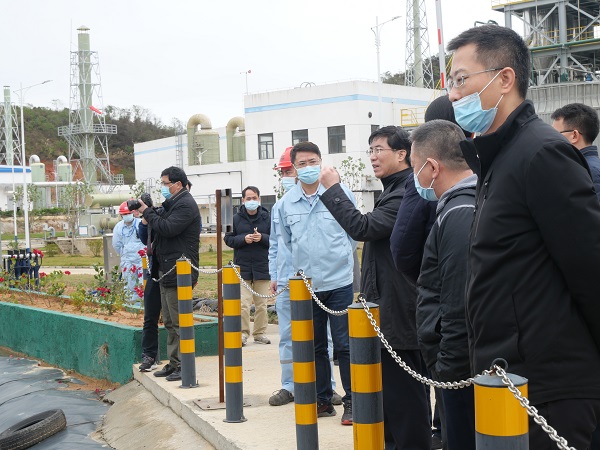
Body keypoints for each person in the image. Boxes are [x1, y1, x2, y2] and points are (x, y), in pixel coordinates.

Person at [447, 24, 600, 449]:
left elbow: (589, 267)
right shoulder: (499, 157)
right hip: (507, 377)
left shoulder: (541, 153)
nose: (454, 95)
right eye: (450, 83)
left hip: (548, 385)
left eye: (462, 79)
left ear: (505, 79)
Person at [319, 127, 431, 447]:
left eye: (379, 149)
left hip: (400, 313)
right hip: (391, 308)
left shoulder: (407, 190)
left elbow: (362, 227)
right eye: (370, 150)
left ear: (402, 154)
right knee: (393, 401)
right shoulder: (394, 189)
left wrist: (333, 189)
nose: (372, 156)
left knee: (405, 402)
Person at [278, 141, 356, 426]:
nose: (308, 167)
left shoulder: (339, 193)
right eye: (302, 164)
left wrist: (342, 262)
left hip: (339, 281)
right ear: (294, 168)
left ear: (321, 162)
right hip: (307, 285)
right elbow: (287, 243)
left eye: (313, 162)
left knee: (345, 345)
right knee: (316, 346)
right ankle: (323, 399)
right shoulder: (285, 204)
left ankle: (352, 401)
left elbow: (352, 234)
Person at [413, 119, 476, 450]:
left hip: (461, 371)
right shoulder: (463, 203)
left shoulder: (459, 211)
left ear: (433, 167)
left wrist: (448, 372)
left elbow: (457, 303)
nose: (415, 178)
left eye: (415, 167)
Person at [137, 166, 201, 382]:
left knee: (180, 321)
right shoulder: (172, 204)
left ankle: (184, 365)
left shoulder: (185, 204)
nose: (163, 188)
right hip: (166, 270)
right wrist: (148, 214)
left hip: (179, 272)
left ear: (178, 184)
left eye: (165, 184)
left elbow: (167, 228)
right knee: (170, 322)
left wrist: (147, 211)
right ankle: (175, 362)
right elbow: (155, 228)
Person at [224, 186, 271, 346]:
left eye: (254, 198)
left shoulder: (267, 217)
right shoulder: (234, 219)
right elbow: (228, 239)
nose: (252, 201)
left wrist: (262, 237)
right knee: (243, 304)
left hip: (262, 267)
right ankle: (243, 333)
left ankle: (260, 333)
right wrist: (243, 239)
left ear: (259, 199)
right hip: (242, 268)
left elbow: (275, 239)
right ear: (243, 200)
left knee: (261, 305)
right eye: (248, 198)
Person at [551, 102, 600, 202]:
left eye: (554, 134)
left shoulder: (586, 171)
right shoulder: (587, 167)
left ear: (574, 136)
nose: (550, 138)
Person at [112, 201, 145, 304]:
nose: (127, 216)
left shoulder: (140, 224)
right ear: (121, 215)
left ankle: (143, 305)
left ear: (133, 212)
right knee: (129, 284)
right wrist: (125, 255)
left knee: (143, 284)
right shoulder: (118, 227)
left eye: (128, 213)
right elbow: (116, 244)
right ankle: (130, 305)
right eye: (124, 214)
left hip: (141, 261)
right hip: (127, 262)